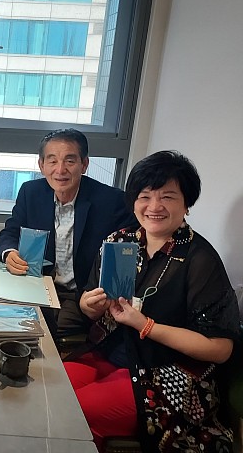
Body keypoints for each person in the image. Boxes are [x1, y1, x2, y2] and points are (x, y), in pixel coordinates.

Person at [65, 151, 239, 452]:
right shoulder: (119, 241)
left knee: (71, 411)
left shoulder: (200, 259)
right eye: (144, 196)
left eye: (167, 197)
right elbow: (89, 301)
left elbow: (220, 349)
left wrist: (146, 325)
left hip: (166, 374)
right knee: (47, 390)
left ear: (186, 204)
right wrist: (88, 306)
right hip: (108, 353)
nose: (154, 207)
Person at [0, 128, 134, 339]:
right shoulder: (30, 192)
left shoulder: (112, 201)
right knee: (3, 320)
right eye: (52, 161)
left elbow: (131, 245)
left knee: (39, 333)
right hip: (37, 283)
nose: (60, 170)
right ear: (41, 165)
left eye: (70, 161)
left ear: (84, 164)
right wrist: (9, 252)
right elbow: (11, 230)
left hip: (79, 294)